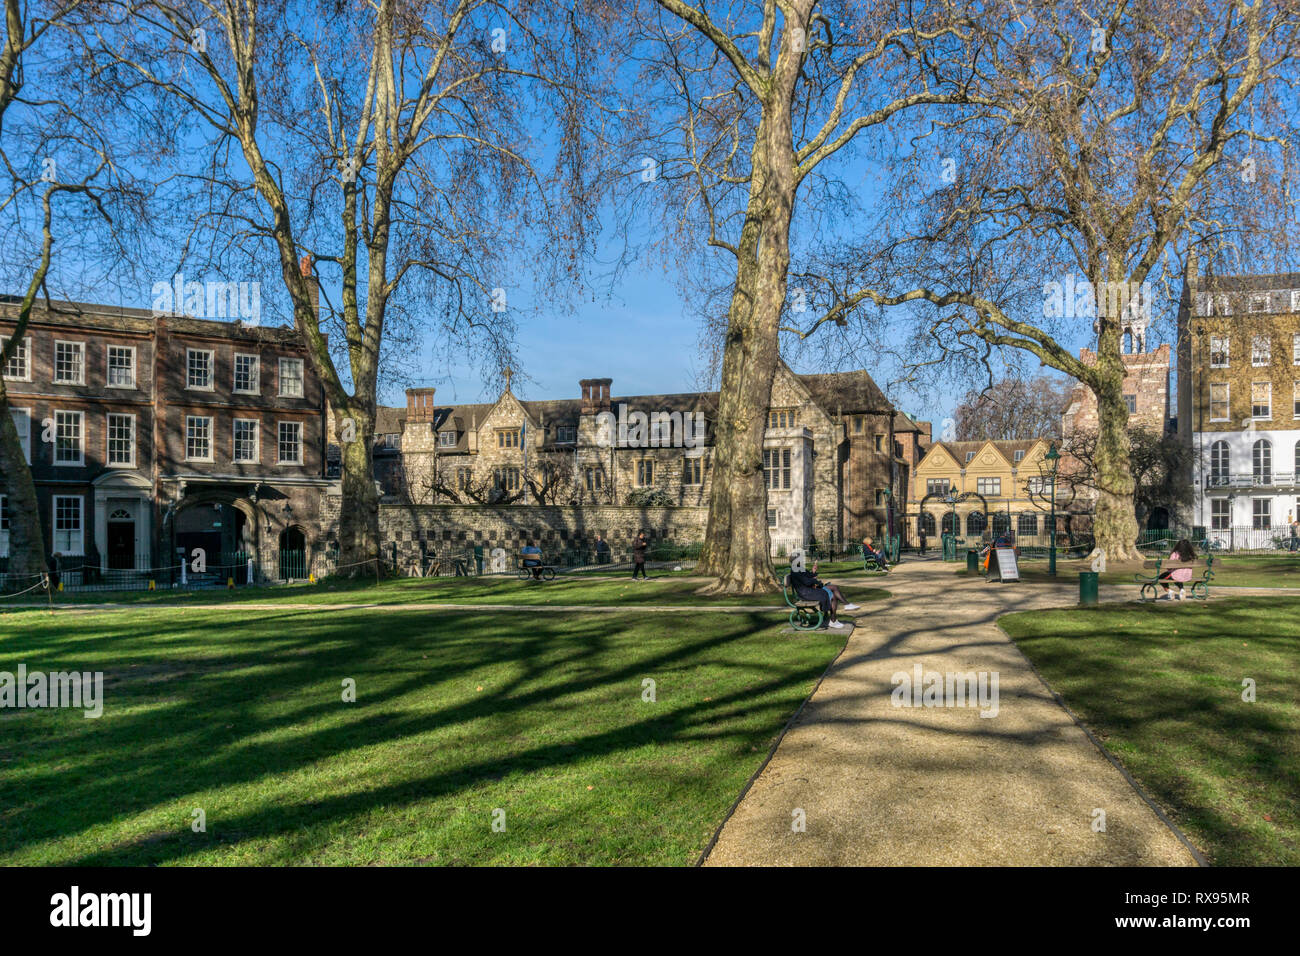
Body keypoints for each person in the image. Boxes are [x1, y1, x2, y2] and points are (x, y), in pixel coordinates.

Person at [788, 559, 851, 630]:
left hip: (809, 590)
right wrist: (816, 581)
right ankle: (834, 619)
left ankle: (838, 615)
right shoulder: (796, 570)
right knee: (831, 595)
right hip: (806, 593)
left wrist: (813, 572)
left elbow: (808, 577)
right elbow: (807, 582)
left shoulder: (799, 569)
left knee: (833, 591)